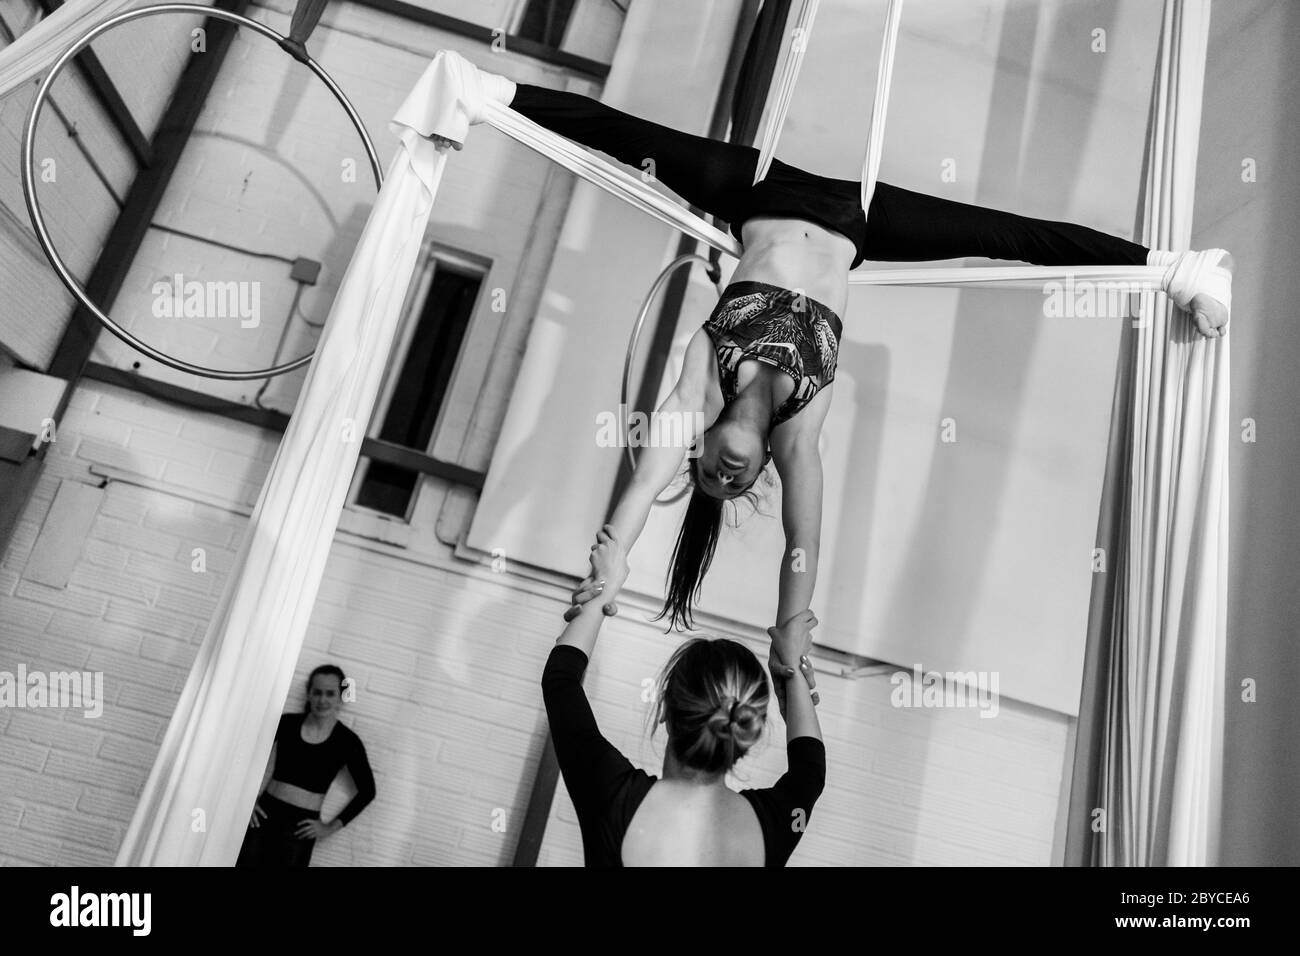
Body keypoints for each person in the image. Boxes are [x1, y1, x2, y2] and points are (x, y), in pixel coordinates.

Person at [437, 52, 1233, 647]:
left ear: (702, 452)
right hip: (859, 221)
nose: (724, 472)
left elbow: (643, 486)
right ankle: (1175, 270)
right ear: (752, 478)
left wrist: (607, 570)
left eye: (707, 472)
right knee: (1002, 236)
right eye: (734, 482)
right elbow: (803, 542)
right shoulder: (798, 434)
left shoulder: (700, 391)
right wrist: (792, 627)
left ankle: (483, 90)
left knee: (627, 137)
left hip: (751, 191)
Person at [541, 524, 825, 866]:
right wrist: (792, 671)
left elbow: (560, 682)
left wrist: (604, 588)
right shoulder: (777, 822)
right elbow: (810, 768)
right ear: (748, 727)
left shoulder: (611, 795)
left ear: (664, 708)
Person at [236, 664, 376, 867]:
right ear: (309, 694)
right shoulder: (286, 724)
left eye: (330, 693)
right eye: (317, 692)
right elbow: (243, 757)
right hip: (264, 815)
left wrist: (329, 828)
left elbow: (368, 791)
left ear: (341, 697)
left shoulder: (348, 742)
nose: (323, 700)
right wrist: (246, 800)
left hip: (301, 827)